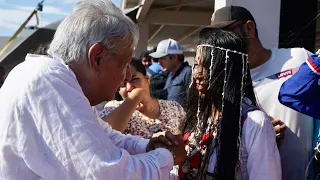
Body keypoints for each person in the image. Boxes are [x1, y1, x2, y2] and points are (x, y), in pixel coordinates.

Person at [0, 0, 187, 179]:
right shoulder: (47, 80)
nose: (127, 77)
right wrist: (167, 156)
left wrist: (146, 146)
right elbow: (105, 173)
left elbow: (103, 136)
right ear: (97, 57)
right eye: (123, 64)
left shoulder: (58, 80)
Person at [210, 5, 315, 180]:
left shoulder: (299, 58)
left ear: (249, 28)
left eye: (225, 33)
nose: (220, 42)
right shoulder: (228, 84)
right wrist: (260, 135)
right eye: (216, 38)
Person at [175, 28, 281, 180]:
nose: (197, 74)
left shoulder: (255, 123)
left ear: (227, 70)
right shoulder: (200, 116)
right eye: (196, 65)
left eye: (206, 67)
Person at [99, 58, 185, 138]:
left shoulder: (173, 108)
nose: (129, 88)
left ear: (147, 79)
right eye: (123, 83)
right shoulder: (113, 108)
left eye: (134, 79)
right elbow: (103, 137)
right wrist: (137, 96)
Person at [150, 38, 191, 109]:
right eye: (158, 59)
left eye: (162, 58)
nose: (159, 62)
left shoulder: (188, 73)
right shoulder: (170, 74)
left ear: (174, 57)